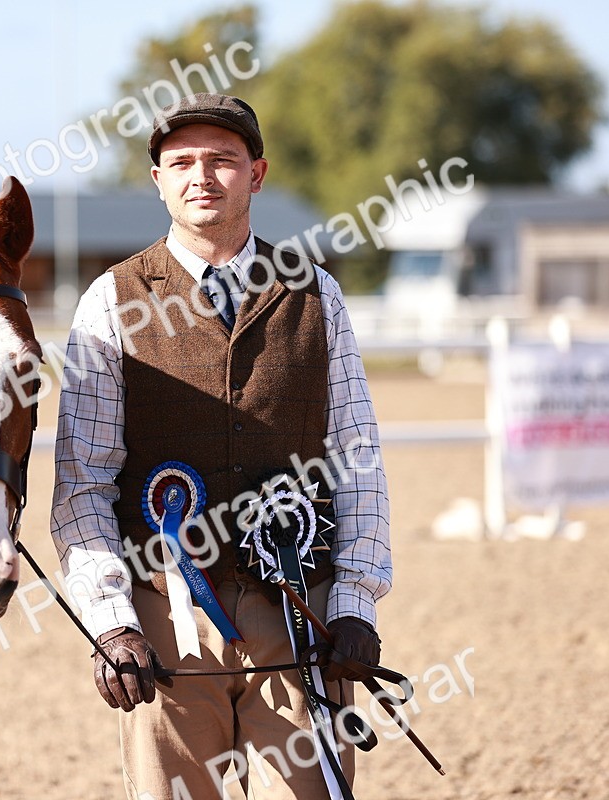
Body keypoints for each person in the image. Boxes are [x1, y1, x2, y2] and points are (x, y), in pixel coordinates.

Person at [50, 93, 392, 800]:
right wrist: (112, 623)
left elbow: (358, 455)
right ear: (157, 180)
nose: (200, 176)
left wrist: (355, 601)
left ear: (256, 175)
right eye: (181, 162)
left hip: (299, 616)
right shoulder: (110, 302)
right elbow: (84, 482)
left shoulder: (315, 294)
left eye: (221, 161)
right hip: (165, 617)